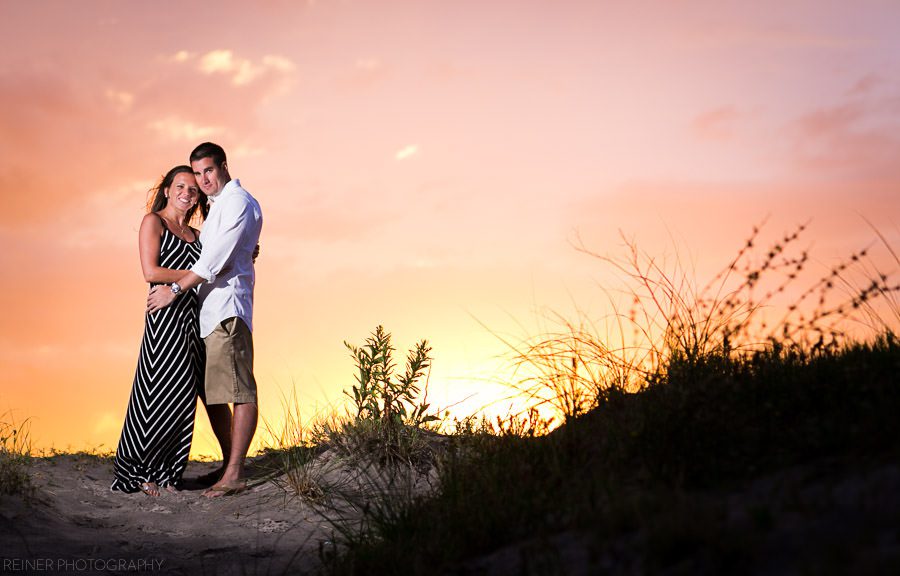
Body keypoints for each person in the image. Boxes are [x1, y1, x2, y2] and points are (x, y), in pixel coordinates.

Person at [147, 142, 263, 498]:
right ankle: (229, 465)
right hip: (209, 312)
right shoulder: (218, 207)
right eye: (198, 173)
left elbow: (213, 261)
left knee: (240, 390)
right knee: (214, 394)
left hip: (227, 309)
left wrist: (174, 290)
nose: (203, 179)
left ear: (224, 166)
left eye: (208, 170)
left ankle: (235, 474)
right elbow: (217, 252)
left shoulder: (237, 202)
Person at [111, 166, 208, 496]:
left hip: (193, 319)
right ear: (167, 190)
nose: (186, 193)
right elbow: (150, 271)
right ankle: (139, 469)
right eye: (180, 186)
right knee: (156, 391)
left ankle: (169, 472)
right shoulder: (154, 222)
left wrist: (247, 252)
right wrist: (197, 274)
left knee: (182, 396)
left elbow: (218, 263)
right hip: (164, 317)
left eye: (193, 189)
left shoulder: (197, 235)